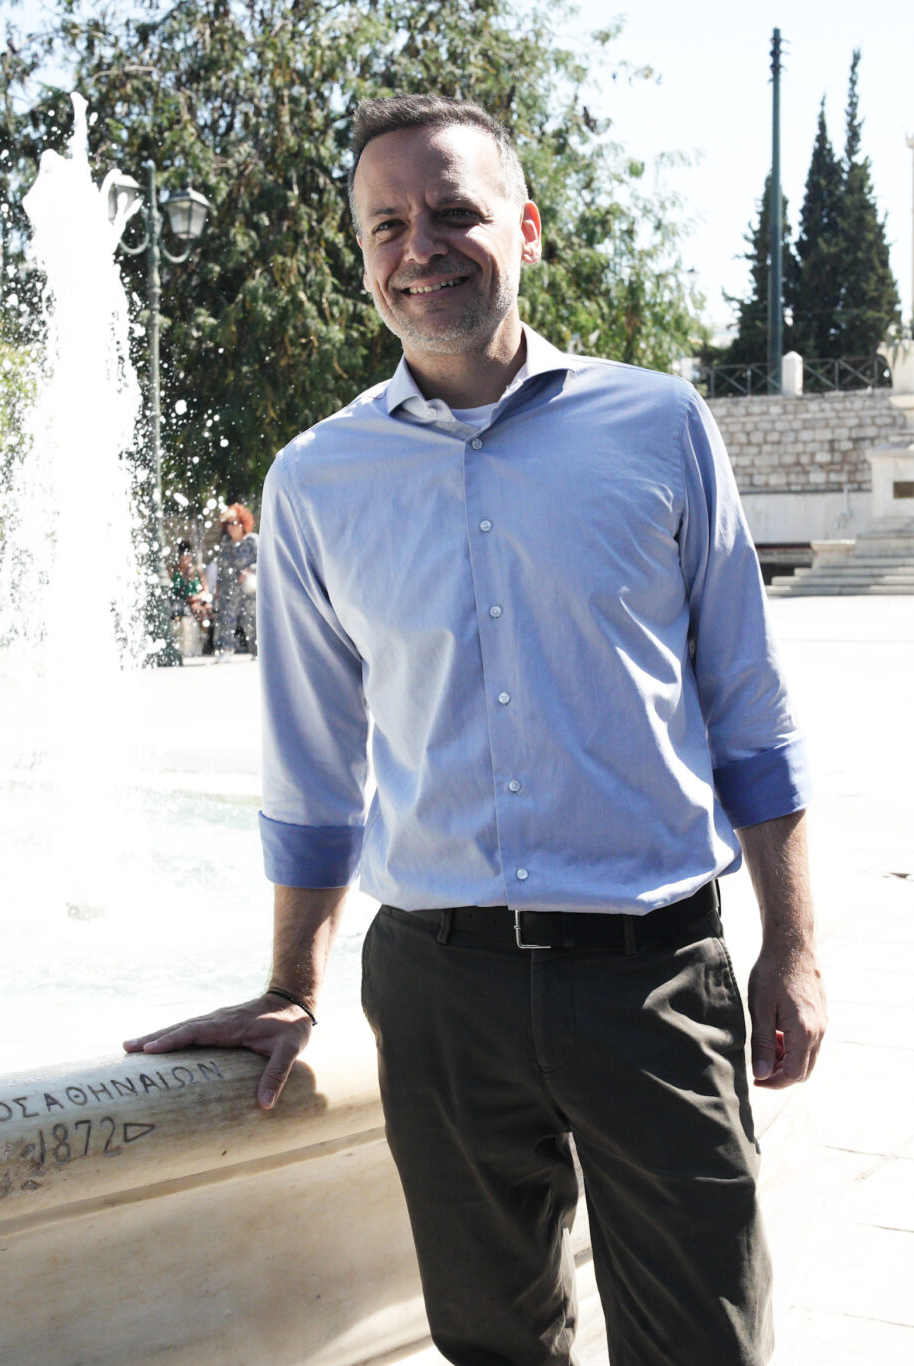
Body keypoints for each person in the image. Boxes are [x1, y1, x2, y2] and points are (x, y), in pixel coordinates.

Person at [124, 95, 823, 1365]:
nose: (420, 247)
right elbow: (312, 761)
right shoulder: (313, 481)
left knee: (705, 1342)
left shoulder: (659, 426)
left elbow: (749, 711)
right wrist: (291, 985)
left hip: (651, 974)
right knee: (493, 1344)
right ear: (361, 255)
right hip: (439, 989)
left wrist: (795, 946)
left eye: (452, 211)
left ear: (525, 228)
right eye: (386, 224)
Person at [209, 503, 259, 656]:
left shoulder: (252, 540)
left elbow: (264, 562)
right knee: (227, 618)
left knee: (251, 619)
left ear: (243, 522)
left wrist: (250, 570)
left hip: (248, 589)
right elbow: (221, 566)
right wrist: (217, 585)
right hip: (228, 588)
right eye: (228, 523)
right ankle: (226, 649)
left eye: (234, 522)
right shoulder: (225, 542)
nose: (231, 527)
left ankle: (258, 651)